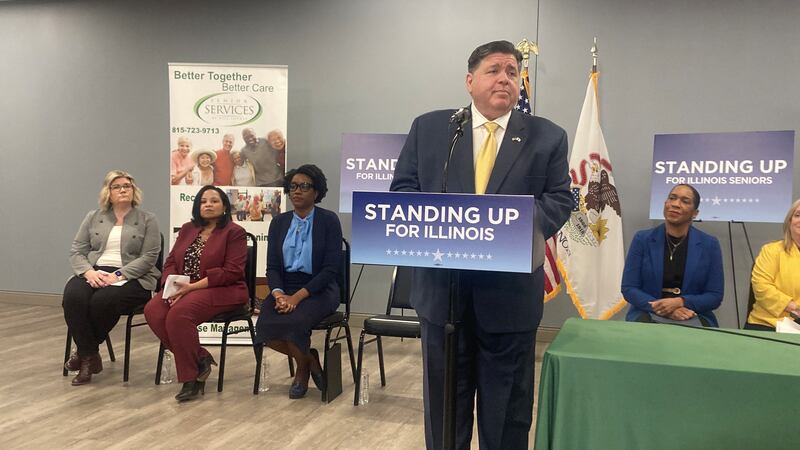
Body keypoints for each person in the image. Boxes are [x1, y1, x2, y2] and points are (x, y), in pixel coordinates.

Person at [390, 40, 572, 450]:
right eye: (494, 70)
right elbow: (403, 191)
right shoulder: (431, 129)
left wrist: (508, 229)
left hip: (509, 300)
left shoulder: (547, 136)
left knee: (506, 414)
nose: (504, 78)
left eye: (512, 71)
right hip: (443, 296)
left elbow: (560, 199)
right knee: (444, 412)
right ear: (470, 81)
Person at [144, 185, 248, 402]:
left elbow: (232, 272)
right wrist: (172, 286)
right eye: (203, 201)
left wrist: (192, 287)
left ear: (224, 206)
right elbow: (171, 262)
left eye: (214, 201)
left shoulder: (234, 232)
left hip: (222, 290)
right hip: (183, 288)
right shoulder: (187, 229)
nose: (208, 205)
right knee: (153, 310)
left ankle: (190, 379)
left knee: (179, 314)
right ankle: (200, 357)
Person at [63, 170, 161, 385]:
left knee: (103, 300)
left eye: (127, 186)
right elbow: (77, 251)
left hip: (133, 276)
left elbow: (149, 257)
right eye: (117, 187)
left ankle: (84, 355)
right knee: (73, 296)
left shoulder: (148, 219)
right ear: (108, 192)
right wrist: (89, 272)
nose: (123, 190)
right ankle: (90, 354)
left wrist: (118, 275)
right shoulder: (93, 217)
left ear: (134, 190)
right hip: (96, 270)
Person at [255, 164, 342, 399]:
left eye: (304, 186)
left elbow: (330, 269)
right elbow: (273, 267)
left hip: (319, 289)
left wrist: (297, 297)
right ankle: (309, 359)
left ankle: (301, 373)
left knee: (295, 322)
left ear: (317, 191)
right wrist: (278, 294)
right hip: (284, 288)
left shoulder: (328, 220)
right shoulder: (279, 222)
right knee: (265, 327)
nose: (297, 191)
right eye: (293, 186)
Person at [621, 184, 724, 327]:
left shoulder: (709, 244)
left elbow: (714, 296)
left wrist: (680, 302)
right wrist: (663, 309)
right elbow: (629, 288)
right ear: (665, 204)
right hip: (648, 311)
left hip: (693, 314)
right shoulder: (642, 239)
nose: (676, 204)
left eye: (685, 201)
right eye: (672, 198)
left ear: (695, 213)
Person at [745, 199, 800, 331]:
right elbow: (761, 286)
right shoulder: (771, 251)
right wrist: (794, 307)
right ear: (789, 221)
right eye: (798, 215)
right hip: (768, 324)